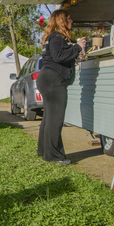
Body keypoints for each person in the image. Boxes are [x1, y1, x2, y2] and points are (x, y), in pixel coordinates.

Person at [37, 10, 86, 165]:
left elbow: (57, 56)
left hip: (47, 77)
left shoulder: (51, 37)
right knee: (55, 119)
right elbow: (58, 56)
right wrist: (77, 47)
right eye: (69, 18)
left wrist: (72, 52)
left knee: (49, 118)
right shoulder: (58, 37)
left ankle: (44, 151)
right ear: (62, 21)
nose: (72, 21)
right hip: (54, 80)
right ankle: (53, 156)